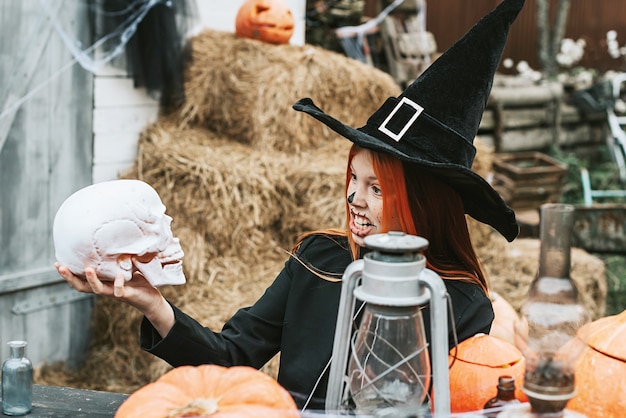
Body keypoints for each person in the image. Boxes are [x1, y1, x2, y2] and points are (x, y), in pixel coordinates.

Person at [56, 0, 524, 411]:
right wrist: (151, 301)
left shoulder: (459, 302)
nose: (355, 199)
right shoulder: (317, 259)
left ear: (426, 203)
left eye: (378, 189)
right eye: (354, 179)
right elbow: (229, 358)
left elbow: (461, 400)